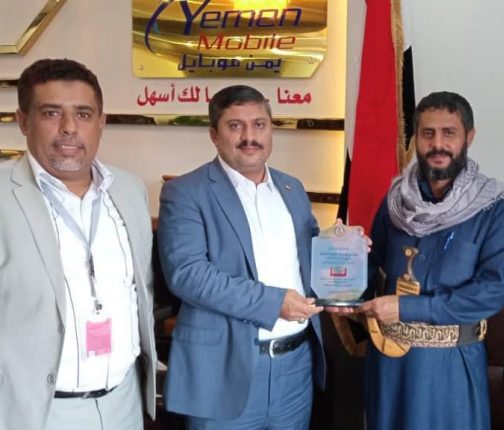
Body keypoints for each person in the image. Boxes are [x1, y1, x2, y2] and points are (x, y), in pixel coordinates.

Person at [0, 59, 157, 430]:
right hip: (37, 413)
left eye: (83, 114)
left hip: (124, 402)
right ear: (23, 121)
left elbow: (142, 290)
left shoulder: (129, 189)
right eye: (51, 113)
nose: (69, 128)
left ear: (101, 122)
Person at [157, 85, 326, 429]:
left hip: (295, 366)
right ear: (214, 135)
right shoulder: (185, 192)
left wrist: (346, 250)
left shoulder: (292, 188)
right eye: (235, 126)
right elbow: (188, 274)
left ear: (271, 129)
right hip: (224, 370)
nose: (250, 136)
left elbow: (309, 257)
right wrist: (274, 303)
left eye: (259, 124)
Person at [359, 91, 504, 429]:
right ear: (416, 139)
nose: (438, 144)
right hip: (389, 364)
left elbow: (490, 293)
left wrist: (409, 309)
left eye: (449, 133)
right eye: (428, 133)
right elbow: (372, 267)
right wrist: (343, 272)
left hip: (451, 366)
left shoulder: (496, 208)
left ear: (469, 137)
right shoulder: (395, 202)